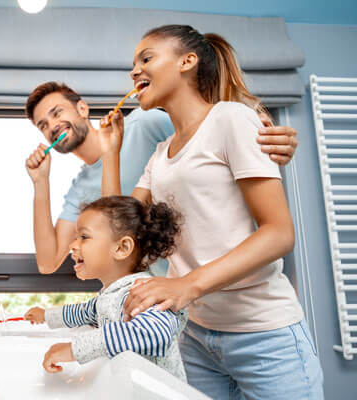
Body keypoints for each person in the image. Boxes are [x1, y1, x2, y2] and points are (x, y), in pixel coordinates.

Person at [99, 25, 324, 400]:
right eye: (133, 65)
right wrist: (110, 152)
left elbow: (279, 233)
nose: (134, 71)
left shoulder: (231, 119)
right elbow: (120, 235)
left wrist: (187, 284)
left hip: (263, 333)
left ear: (187, 62)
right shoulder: (161, 154)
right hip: (195, 336)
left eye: (146, 58)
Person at [25, 82, 299, 276]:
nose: (52, 126)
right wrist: (40, 183)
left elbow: (211, 131)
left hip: (227, 271)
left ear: (82, 109)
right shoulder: (80, 190)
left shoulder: (145, 123)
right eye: (43, 126)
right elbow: (48, 263)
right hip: (170, 291)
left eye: (57, 112)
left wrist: (257, 127)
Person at [24, 195, 188, 380]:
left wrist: (74, 350)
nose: (72, 245)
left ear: (121, 248)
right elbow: (82, 312)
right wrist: (46, 316)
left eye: (84, 237)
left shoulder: (143, 293)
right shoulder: (112, 294)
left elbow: (152, 333)